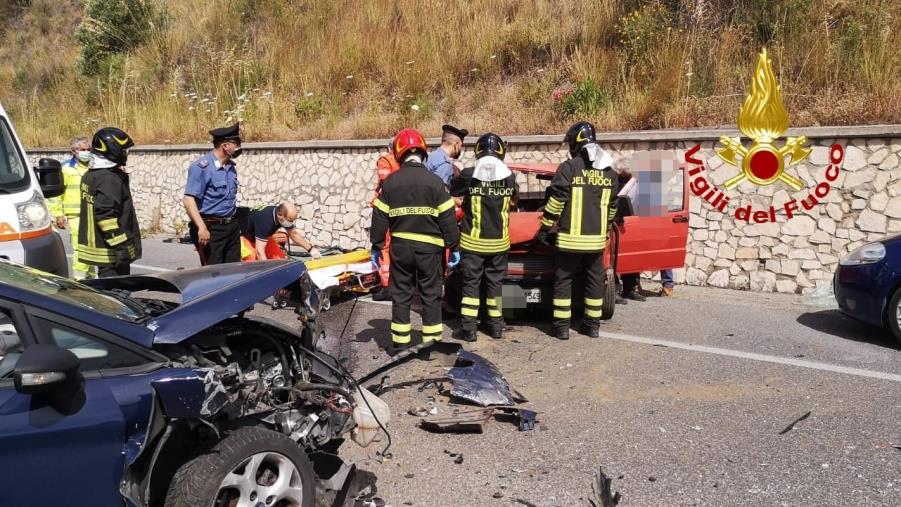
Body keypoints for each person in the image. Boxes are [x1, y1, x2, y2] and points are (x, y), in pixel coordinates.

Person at [370, 128, 459, 352]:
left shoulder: (390, 183)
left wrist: (376, 245)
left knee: (401, 295)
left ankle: (400, 344)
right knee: (430, 296)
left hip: (401, 249)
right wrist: (454, 246)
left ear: (399, 153)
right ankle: (431, 344)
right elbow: (448, 217)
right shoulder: (435, 182)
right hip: (431, 251)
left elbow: (379, 217)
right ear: (423, 152)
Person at [536, 121, 619, 340]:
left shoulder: (569, 168)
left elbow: (556, 202)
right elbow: (612, 208)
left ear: (575, 143)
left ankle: (561, 328)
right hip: (596, 242)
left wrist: (545, 228)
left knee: (564, 281)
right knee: (594, 281)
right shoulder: (609, 173)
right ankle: (592, 326)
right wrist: (606, 229)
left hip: (569, 240)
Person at [451, 133, 517, 342]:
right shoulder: (509, 176)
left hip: (473, 243)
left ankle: (469, 329)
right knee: (496, 285)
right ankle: (496, 326)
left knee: (470, 285)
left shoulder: (469, 174)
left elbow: (454, 189)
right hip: (499, 243)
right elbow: (513, 198)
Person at [76, 127, 141, 277]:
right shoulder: (108, 179)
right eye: (123, 150)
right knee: (115, 290)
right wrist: (120, 246)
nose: (125, 154)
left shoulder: (91, 175)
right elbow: (105, 215)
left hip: (99, 247)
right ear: (113, 150)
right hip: (110, 252)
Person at [183, 123, 243, 265]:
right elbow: (188, 200)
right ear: (225, 146)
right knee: (213, 272)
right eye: (236, 143)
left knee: (234, 270)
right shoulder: (201, 168)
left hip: (231, 227)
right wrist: (201, 227)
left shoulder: (231, 168)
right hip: (211, 228)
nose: (239, 147)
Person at [48, 137, 94, 279]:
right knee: (81, 248)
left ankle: (92, 280)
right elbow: (56, 194)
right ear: (74, 151)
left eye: (89, 149)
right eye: (83, 149)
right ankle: (79, 280)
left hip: (93, 213)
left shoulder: (94, 166)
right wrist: (58, 214)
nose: (87, 152)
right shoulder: (66, 168)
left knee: (91, 249)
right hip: (75, 215)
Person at [371, 144, 401, 299]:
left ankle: (386, 286)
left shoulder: (386, 160)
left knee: (384, 248)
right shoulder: (404, 161)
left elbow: (385, 183)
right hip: (401, 212)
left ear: (390, 147)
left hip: (386, 211)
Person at [242, 202, 321, 260]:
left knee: (279, 259)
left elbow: (294, 234)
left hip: (260, 237)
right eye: (289, 220)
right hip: (244, 236)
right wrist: (268, 273)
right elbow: (259, 251)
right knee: (251, 257)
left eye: (292, 221)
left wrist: (311, 250)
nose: (291, 223)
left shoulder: (281, 216)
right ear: (280, 215)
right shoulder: (266, 221)